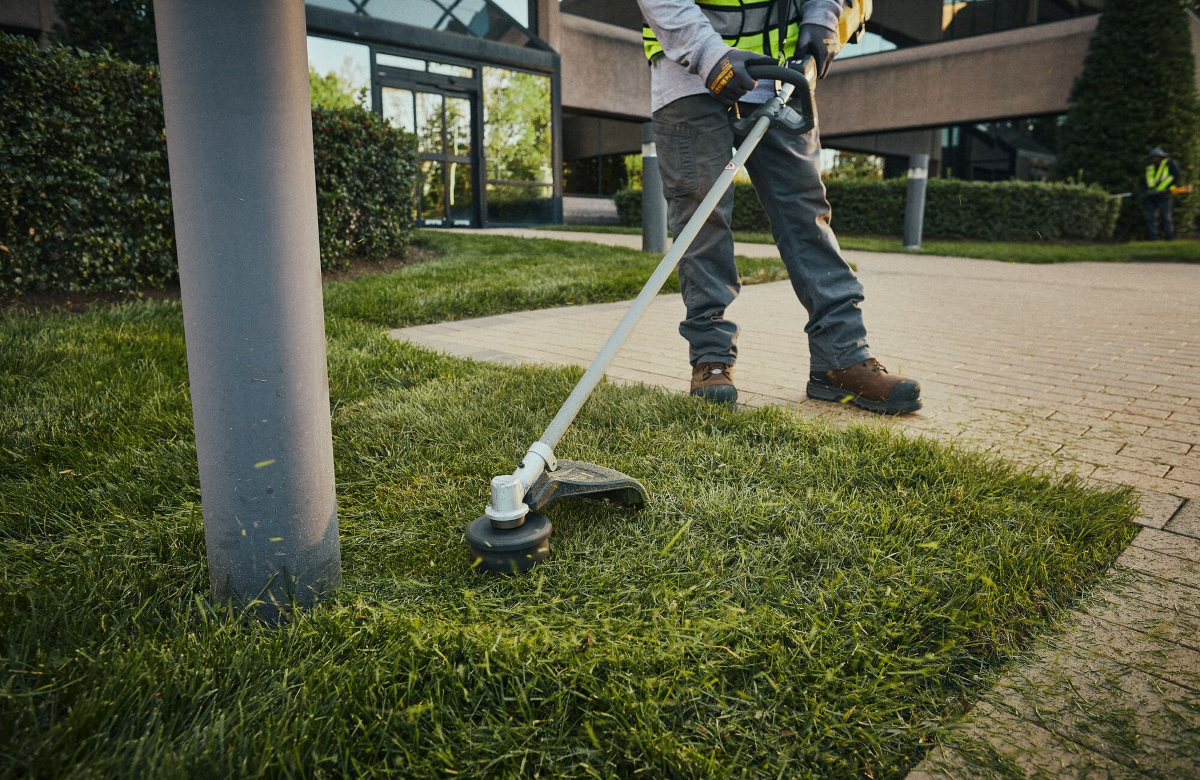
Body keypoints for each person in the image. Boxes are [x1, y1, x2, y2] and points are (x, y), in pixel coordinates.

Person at [638, 0, 921, 415]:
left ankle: (840, 358)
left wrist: (822, 19)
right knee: (702, 216)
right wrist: (709, 56)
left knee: (806, 214)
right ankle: (710, 358)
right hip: (689, 75)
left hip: (780, 77)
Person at [1142, 147, 1182, 241]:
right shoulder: (1150, 168)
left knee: (1165, 217)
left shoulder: (1168, 164)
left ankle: (1169, 237)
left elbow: (1177, 176)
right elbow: (1146, 182)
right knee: (1151, 217)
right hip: (1151, 196)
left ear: (1160, 157)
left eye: (1155, 157)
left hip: (1164, 195)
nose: (1153, 159)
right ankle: (1153, 238)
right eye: (1152, 157)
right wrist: (1141, 190)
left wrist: (1169, 188)